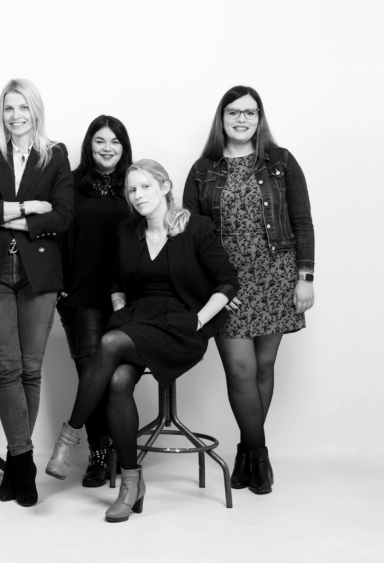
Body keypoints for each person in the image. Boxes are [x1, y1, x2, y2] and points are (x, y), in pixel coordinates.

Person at [46, 160, 239, 522]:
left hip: (180, 325)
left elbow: (228, 280)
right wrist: (120, 305)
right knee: (118, 382)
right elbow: (116, 281)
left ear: (165, 187)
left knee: (109, 343)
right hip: (137, 319)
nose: (138, 195)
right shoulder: (126, 230)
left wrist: (199, 319)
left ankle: (69, 438)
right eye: (132, 189)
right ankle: (132, 484)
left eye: (146, 186)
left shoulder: (196, 227)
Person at [183, 85, 314, 495]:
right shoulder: (203, 169)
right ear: (221, 118)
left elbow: (302, 220)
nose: (242, 119)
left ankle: (247, 453)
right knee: (239, 369)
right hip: (227, 283)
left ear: (260, 118)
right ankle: (260, 456)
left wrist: (305, 277)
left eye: (250, 112)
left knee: (263, 367)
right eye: (233, 112)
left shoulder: (281, 161)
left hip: (276, 274)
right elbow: (189, 236)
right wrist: (214, 289)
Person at [0, 79, 74, 507]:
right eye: (8, 108)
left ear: (35, 111)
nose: (15, 116)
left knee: (30, 369)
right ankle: (25, 462)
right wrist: (31, 208)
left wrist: (3, 212)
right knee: (6, 368)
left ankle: (14, 462)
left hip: (39, 273)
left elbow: (62, 216)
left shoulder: (56, 155)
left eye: (23, 108)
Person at [56, 115, 133, 487]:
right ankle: (99, 454)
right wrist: (59, 284)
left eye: (115, 141)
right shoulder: (70, 184)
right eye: (100, 140)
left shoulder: (135, 183)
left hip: (128, 299)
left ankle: (122, 450)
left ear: (124, 147)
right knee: (92, 376)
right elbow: (56, 235)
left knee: (117, 378)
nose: (107, 148)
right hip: (82, 295)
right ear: (89, 145)